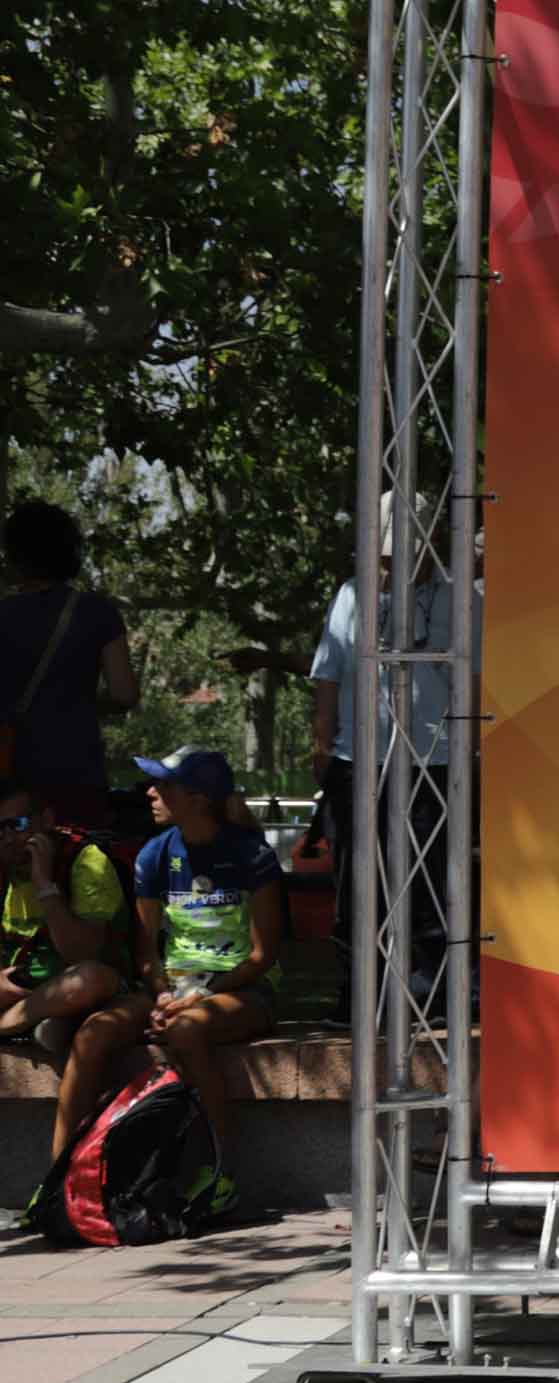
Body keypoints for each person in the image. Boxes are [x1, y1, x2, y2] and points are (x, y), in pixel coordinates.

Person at [62, 748, 283, 1216]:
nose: (150, 793)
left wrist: (200, 994)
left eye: (162, 785)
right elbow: (146, 952)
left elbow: (263, 956)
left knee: (186, 1030)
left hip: (239, 990)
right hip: (173, 990)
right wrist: (163, 992)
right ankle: (61, 1180)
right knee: (93, 1032)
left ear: (198, 799)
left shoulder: (252, 856)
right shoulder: (153, 854)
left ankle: (223, 1172)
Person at [310, 490, 456, 1007]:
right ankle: (359, 992)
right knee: (357, 879)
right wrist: (323, 746)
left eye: (404, 550)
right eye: (388, 551)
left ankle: (432, 989)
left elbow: (478, 680)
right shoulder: (353, 594)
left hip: (434, 761)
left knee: (431, 878)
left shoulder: (458, 598)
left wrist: (473, 752)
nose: (395, 561)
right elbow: (327, 676)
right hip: (358, 761)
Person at [0, 780, 130, 1177]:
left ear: (46, 821)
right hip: (26, 990)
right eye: (0, 828)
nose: (9, 837)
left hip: (94, 989)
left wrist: (44, 885)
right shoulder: (6, 867)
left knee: (84, 979)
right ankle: (30, 1020)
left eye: (18, 824)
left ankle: (10, 1025)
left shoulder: (86, 862)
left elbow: (83, 955)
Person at [0, 500, 137, 830]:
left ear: (14, 555)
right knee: (76, 867)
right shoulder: (96, 612)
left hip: (9, 776)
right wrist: (77, 698)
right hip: (76, 774)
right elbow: (124, 694)